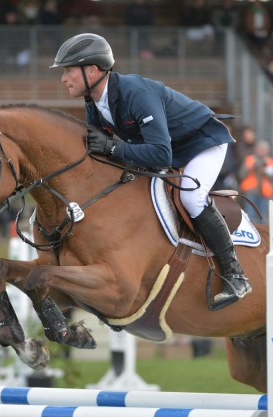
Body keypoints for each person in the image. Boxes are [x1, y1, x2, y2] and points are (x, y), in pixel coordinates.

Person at [50, 33, 251, 307]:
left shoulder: (135, 93)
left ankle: (236, 275)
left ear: (92, 70)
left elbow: (159, 154)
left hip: (202, 143)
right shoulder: (94, 102)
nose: (63, 79)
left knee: (191, 198)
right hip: (171, 148)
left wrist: (113, 149)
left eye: (68, 71)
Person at [238, 140, 273, 224]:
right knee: (249, 216)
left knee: (262, 217)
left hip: (264, 193)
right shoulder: (250, 160)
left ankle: (262, 236)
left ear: (268, 151)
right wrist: (251, 168)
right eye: (260, 149)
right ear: (256, 150)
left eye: (264, 149)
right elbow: (241, 175)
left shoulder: (270, 162)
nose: (262, 151)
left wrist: (264, 171)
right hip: (250, 191)